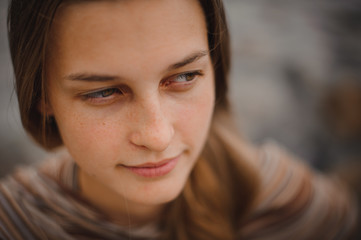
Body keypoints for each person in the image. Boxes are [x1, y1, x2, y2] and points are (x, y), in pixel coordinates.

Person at [0, 0, 357, 239]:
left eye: (184, 77)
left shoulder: (283, 205)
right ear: (42, 98)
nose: (157, 136)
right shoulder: (16, 225)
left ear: (216, 69)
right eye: (102, 92)